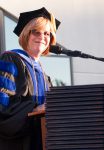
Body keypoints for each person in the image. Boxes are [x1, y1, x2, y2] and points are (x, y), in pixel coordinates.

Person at [0, 7, 60, 150]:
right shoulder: (10, 60)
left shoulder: (45, 76)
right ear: (26, 34)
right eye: (36, 32)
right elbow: (2, 108)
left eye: (47, 33)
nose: (42, 36)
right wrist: (35, 108)